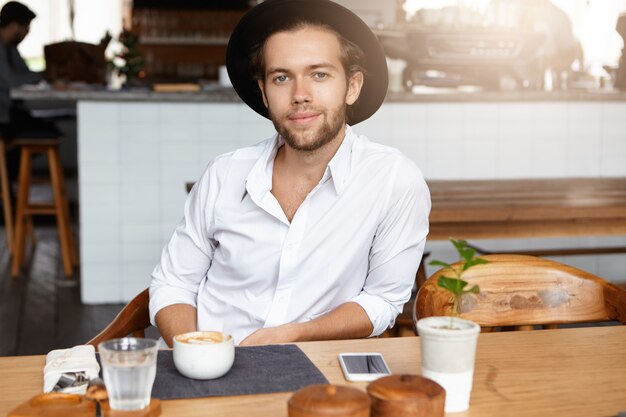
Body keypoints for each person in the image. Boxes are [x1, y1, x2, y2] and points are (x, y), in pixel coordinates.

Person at [149, 0, 431, 347]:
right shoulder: (225, 173)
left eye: (319, 74)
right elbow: (173, 283)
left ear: (352, 86)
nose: (300, 95)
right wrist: (198, 353)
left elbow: (382, 300)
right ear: (265, 92)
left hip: (311, 372)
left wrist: (292, 335)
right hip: (201, 362)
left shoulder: (393, 180)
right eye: (282, 77)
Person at [0, 1, 42, 131]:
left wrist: (45, 75)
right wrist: (45, 75)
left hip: (11, 111)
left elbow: (25, 73)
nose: (28, 32)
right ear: (14, 26)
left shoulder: (10, 48)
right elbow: (12, 80)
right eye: (27, 26)